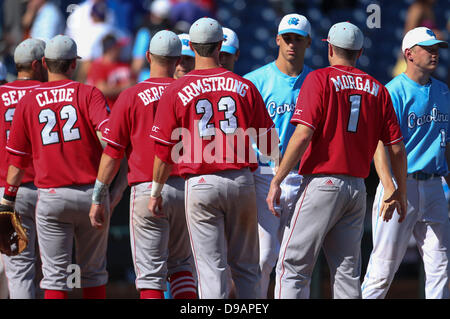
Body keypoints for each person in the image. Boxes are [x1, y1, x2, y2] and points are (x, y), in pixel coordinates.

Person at [266, 21, 408, 299]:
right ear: (360, 51)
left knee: (292, 265)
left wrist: (278, 178)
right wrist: (399, 189)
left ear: (329, 47)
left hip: (322, 181)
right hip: (356, 188)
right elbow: (397, 148)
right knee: (346, 273)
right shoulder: (377, 88)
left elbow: (303, 134)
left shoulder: (319, 79)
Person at [148, 17, 279, 299]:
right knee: (246, 268)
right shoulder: (243, 85)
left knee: (211, 270)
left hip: (200, 181)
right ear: (220, 45)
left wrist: (156, 191)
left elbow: (162, 151)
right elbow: (270, 145)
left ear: (192, 47)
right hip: (241, 180)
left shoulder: (177, 89)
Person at [89, 30, 197, 299]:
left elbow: (113, 153)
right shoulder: (191, 94)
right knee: (182, 267)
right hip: (187, 187)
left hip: (147, 189)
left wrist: (99, 196)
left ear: (148, 56)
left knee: (150, 275)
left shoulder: (130, 95)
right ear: (177, 59)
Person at [1, 35, 111, 299]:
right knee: (91, 273)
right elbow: (112, 143)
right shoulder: (88, 92)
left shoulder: (26, 100)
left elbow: (18, 158)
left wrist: (7, 200)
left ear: (46, 63)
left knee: (39, 274)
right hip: (85, 192)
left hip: (41, 193)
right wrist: (107, 188)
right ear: (73, 64)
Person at [361, 27, 450, 299]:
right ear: (409, 54)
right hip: (402, 184)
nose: (434, 52)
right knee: (383, 268)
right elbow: (379, 144)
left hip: (435, 185)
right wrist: (389, 186)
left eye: (436, 48)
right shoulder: (392, 91)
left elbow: (446, 144)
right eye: (428, 48)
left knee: (441, 266)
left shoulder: (443, 90)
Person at [243, 13, 313, 299]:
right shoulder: (255, 81)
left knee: (298, 260)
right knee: (264, 257)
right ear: (277, 40)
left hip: (304, 176)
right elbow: (240, 133)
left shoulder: (315, 81)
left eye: (297, 39)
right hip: (264, 175)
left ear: (308, 42)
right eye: (287, 39)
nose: (291, 45)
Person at [0, 38, 46, 299]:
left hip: (7, 191)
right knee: (51, 271)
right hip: (46, 189)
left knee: (18, 274)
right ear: (38, 64)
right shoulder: (49, 93)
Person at [86, 34, 134, 108]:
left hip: (125, 109)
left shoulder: (124, 64)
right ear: (111, 49)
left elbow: (134, 83)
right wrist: (124, 88)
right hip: (107, 111)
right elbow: (102, 89)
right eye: (118, 47)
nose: (121, 49)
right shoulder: (98, 65)